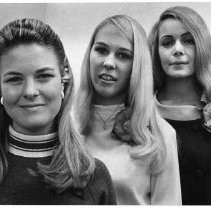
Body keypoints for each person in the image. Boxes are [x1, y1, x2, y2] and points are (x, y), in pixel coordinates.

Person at [0, 18, 116, 205]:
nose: (30, 91)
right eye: (14, 79)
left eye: (44, 76)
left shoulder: (94, 176)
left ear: (64, 79)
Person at [74, 14, 181, 205]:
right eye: (101, 50)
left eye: (123, 55)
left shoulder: (161, 136)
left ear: (137, 66)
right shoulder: (65, 125)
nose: (108, 62)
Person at [148, 6, 211, 205]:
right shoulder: (139, 112)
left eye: (188, 40)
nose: (177, 50)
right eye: (167, 43)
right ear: (156, 52)